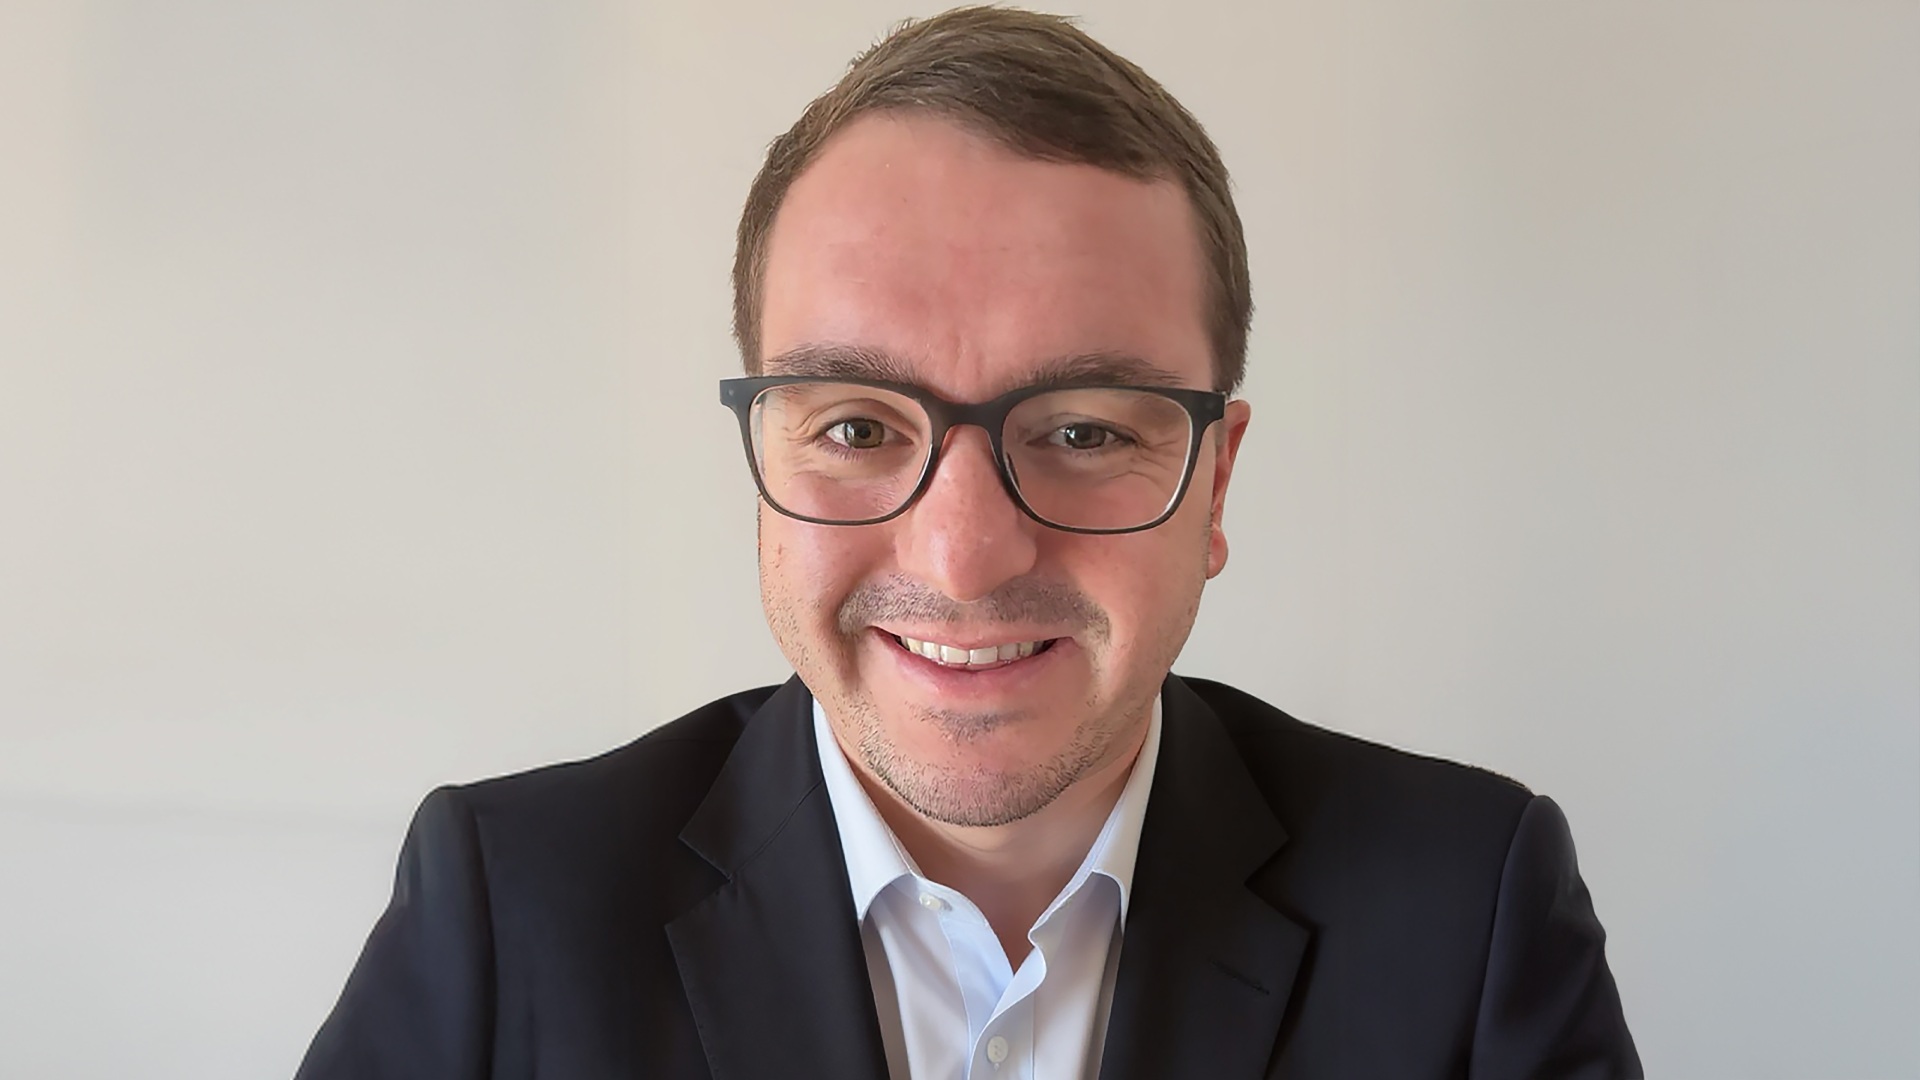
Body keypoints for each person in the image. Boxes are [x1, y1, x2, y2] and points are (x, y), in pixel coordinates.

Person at [296, 7, 1640, 1078]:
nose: (963, 557)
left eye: (1084, 432)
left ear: (1214, 484)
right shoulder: (510, 910)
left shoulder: (1470, 912)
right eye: (860, 428)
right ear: (761, 465)